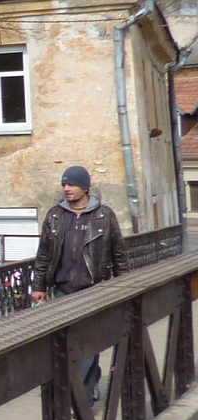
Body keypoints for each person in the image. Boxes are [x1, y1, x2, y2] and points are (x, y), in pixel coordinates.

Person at [30, 165, 128, 401]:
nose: (67, 189)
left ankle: (80, 398)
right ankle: (86, 386)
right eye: (64, 185)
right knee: (66, 346)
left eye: (71, 184)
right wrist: (38, 286)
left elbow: (119, 255)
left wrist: (124, 287)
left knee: (86, 345)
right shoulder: (55, 215)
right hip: (64, 290)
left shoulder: (104, 215)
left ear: (85, 187)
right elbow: (43, 253)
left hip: (94, 291)